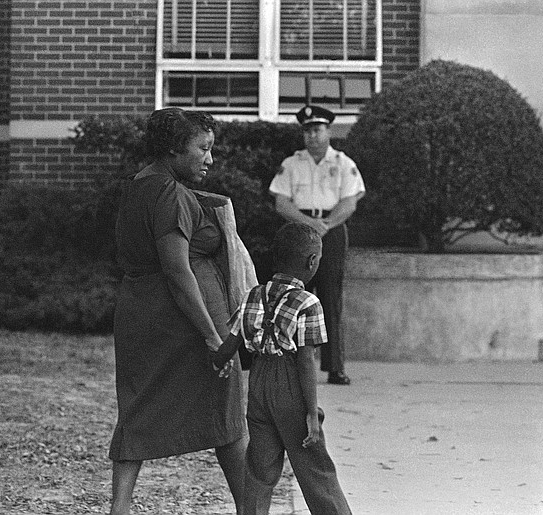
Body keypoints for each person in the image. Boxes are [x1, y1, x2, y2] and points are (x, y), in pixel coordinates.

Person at [109, 107, 256, 515]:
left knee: (136, 409)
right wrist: (212, 336)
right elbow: (178, 270)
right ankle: (251, 508)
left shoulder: (139, 184)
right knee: (226, 414)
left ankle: (118, 508)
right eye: (203, 148)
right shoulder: (170, 194)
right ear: (175, 148)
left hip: (140, 313)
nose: (210, 159)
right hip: (183, 322)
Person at [210, 222, 352, 515]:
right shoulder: (308, 302)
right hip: (290, 388)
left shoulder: (253, 295)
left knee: (259, 471)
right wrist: (312, 413)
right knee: (315, 470)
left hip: (259, 386)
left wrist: (218, 362)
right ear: (312, 261)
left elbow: (230, 343)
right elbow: (304, 361)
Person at [268, 105, 365, 385]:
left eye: (317, 130)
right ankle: (288, 363)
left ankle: (335, 367)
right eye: (307, 131)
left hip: (331, 231)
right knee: (293, 297)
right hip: (299, 230)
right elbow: (282, 202)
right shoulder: (292, 163)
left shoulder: (344, 163)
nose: (312, 136)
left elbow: (350, 201)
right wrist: (309, 224)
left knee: (330, 296)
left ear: (329, 131)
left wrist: (326, 225)